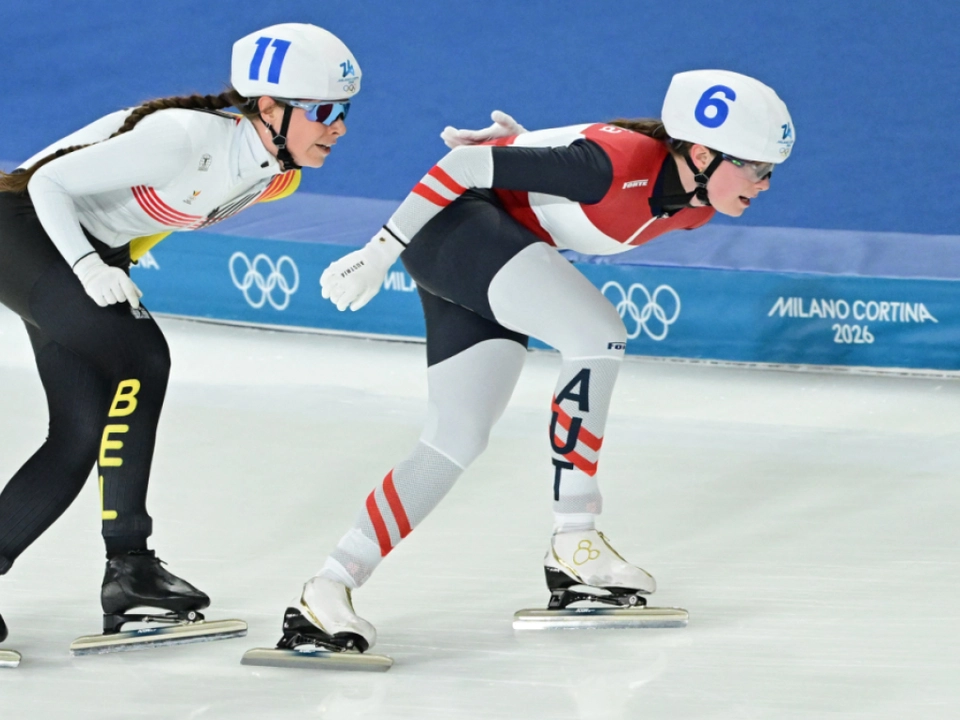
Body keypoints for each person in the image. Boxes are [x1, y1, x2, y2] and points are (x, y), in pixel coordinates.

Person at [276, 70, 795, 654]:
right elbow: (461, 167)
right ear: (701, 154)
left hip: (493, 244)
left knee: (455, 438)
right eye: (755, 167)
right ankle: (576, 537)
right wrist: (377, 254)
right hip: (457, 229)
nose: (765, 183)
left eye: (771, 170)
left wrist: (525, 151)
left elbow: (568, 190)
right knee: (597, 334)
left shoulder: (696, 205)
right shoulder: (613, 165)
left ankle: (329, 586)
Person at [0, 22, 360, 650]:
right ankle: (131, 562)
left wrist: (115, 263)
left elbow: (155, 211)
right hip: (22, 226)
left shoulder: (277, 174)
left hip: (79, 248)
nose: (339, 128)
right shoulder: (183, 138)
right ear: (269, 108)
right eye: (324, 112)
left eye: (344, 112)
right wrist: (88, 267)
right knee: (143, 357)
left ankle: (129, 577)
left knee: (80, 431)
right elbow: (46, 184)